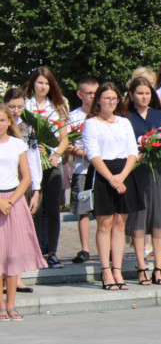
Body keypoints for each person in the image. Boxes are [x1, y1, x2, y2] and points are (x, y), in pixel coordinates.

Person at [82, 82, 140, 290]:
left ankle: (118, 269)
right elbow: (93, 154)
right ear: (98, 99)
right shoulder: (91, 123)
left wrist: (122, 176)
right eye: (106, 98)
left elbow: (133, 152)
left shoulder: (124, 122)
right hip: (103, 174)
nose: (111, 101)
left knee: (120, 224)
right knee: (104, 224)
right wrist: (112, 179)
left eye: (114, 98)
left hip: (124, 172)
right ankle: (105, 270)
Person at [124, 77, 161, 285]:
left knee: (158, 220)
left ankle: (158, 267)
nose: (144, 97)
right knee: (138, 221)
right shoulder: (126, 116)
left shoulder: (158, 114)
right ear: (131, 95)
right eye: (140, 93)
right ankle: (141, 266)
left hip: (159, 171)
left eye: (147, 93)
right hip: (137, 171)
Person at [0, 106, 47, 319]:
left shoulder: (18, 144)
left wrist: (10, 200)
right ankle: (0, 306)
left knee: (13, 255)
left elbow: (26, 177)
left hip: (14, 200)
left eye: (2, 120)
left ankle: (11, 304)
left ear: (9, 121)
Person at [23, 66, 70, 268]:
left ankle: (52, 251)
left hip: (52, 162)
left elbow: (65, 138)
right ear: (32, 83)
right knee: (36, 208)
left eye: (47, 83)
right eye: (39, 82)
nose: (43, 86)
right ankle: (36, 250)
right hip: (32, 163)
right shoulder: (25, 106)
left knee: (52, 209)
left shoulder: (57, 107)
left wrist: (56, 152)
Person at [68, 77, 97, 263]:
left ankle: (108, 247)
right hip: (82, 168)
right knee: (83, 210)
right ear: (80, 94)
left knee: (104, 212)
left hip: (103, 168)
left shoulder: (103, 114)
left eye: (96, 93)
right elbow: (67, 144)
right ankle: (85, 249)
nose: (93, 97)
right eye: (89, 93)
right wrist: (83, 153)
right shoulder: (73, 117)